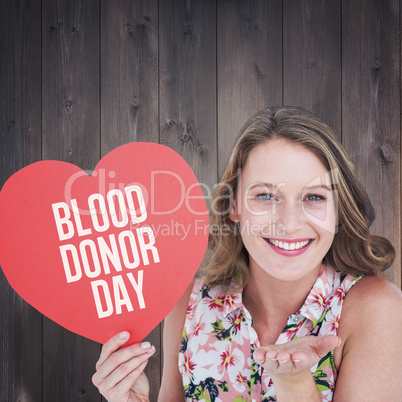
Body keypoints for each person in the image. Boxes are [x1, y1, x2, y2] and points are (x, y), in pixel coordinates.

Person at [92, 106, 402, 401]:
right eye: (266, 196)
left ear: (338, 211)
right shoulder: (189, 303)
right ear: (234, 206)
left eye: (314, 197)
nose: (289, 224)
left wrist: (294, 384)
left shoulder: (375, 309)